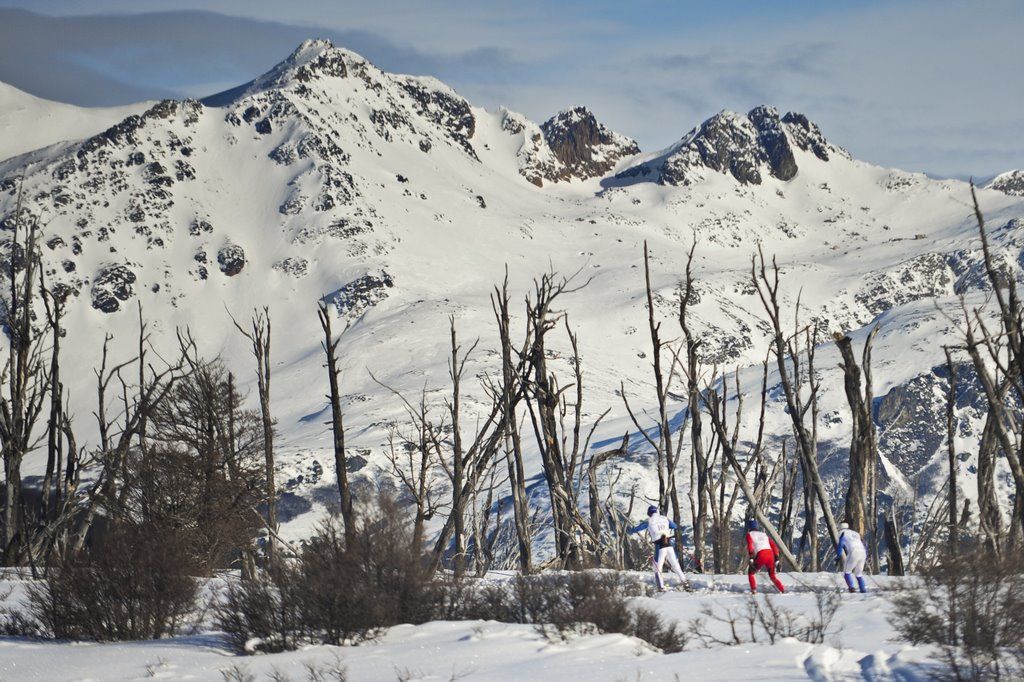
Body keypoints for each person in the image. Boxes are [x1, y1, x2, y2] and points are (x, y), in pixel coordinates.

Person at [629, 505, 687, 591]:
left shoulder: (649, 521)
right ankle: (685, 583)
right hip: (669, 545)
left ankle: (661, 587)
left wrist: (630, 530)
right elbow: (674, 526)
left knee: (657, 568)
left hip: (659, 547)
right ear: (657, 512)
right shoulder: (665, 518)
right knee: (676, 566)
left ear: (649, 513)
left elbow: (637, 529)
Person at [745, 518, 785, 594]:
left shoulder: (749, 534)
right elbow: (774, 546)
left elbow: (750, 545)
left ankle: (754, 590)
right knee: (772, 576)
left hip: (761, 555)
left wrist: (751, 557)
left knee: (751, 573)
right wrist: (776, 558)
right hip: (770, 555)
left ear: (749, 527)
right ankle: (782, 590)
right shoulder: (764, 535)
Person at [836, 521, 867, 593]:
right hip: (863, 552)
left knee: (847, 571)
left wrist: (838, 556)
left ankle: (851, 588)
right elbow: (863, 543)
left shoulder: (842, 533)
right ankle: (863, 589)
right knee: (858, 574)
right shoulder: (855, 533)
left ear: (840, 527)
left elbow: (840, 545)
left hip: (853, 552)